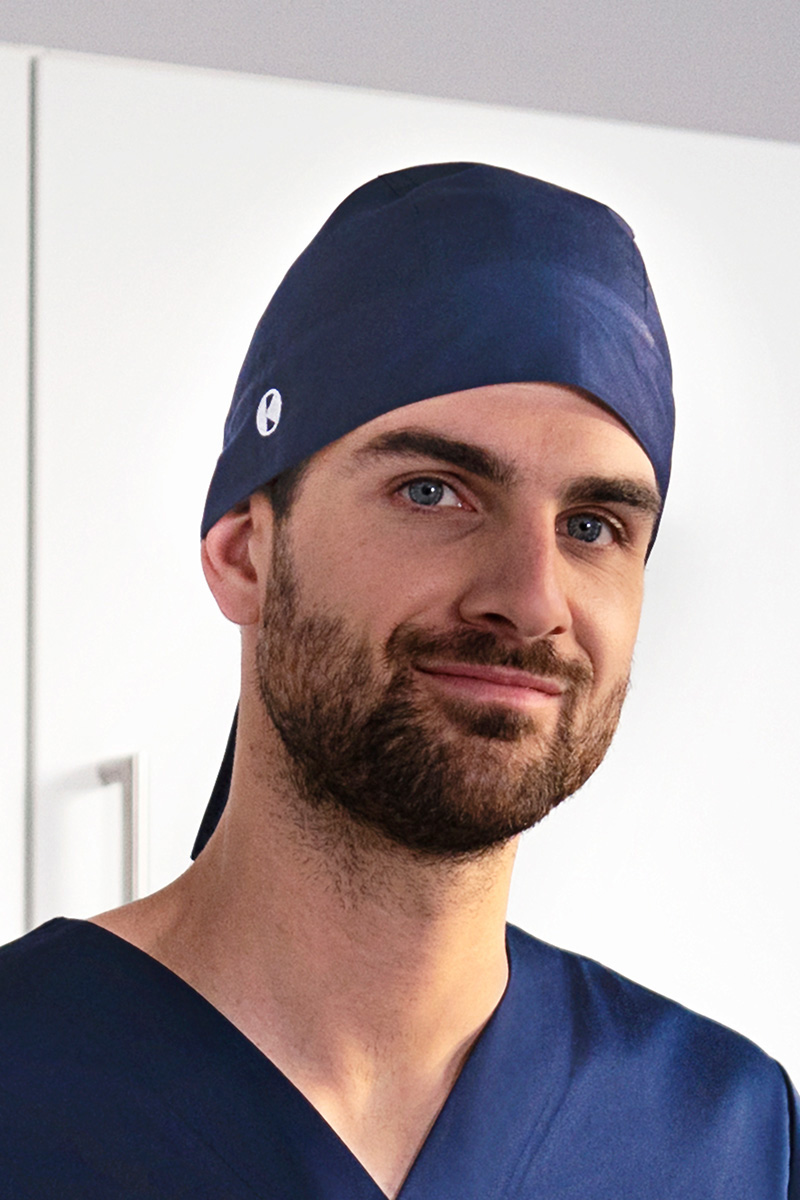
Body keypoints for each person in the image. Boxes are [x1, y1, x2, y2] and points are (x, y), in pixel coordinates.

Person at [0, 162, 796, 1199]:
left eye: (592, 525)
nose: (531, 599)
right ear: (244, 553)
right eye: (432, 491)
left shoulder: (722, 1136)